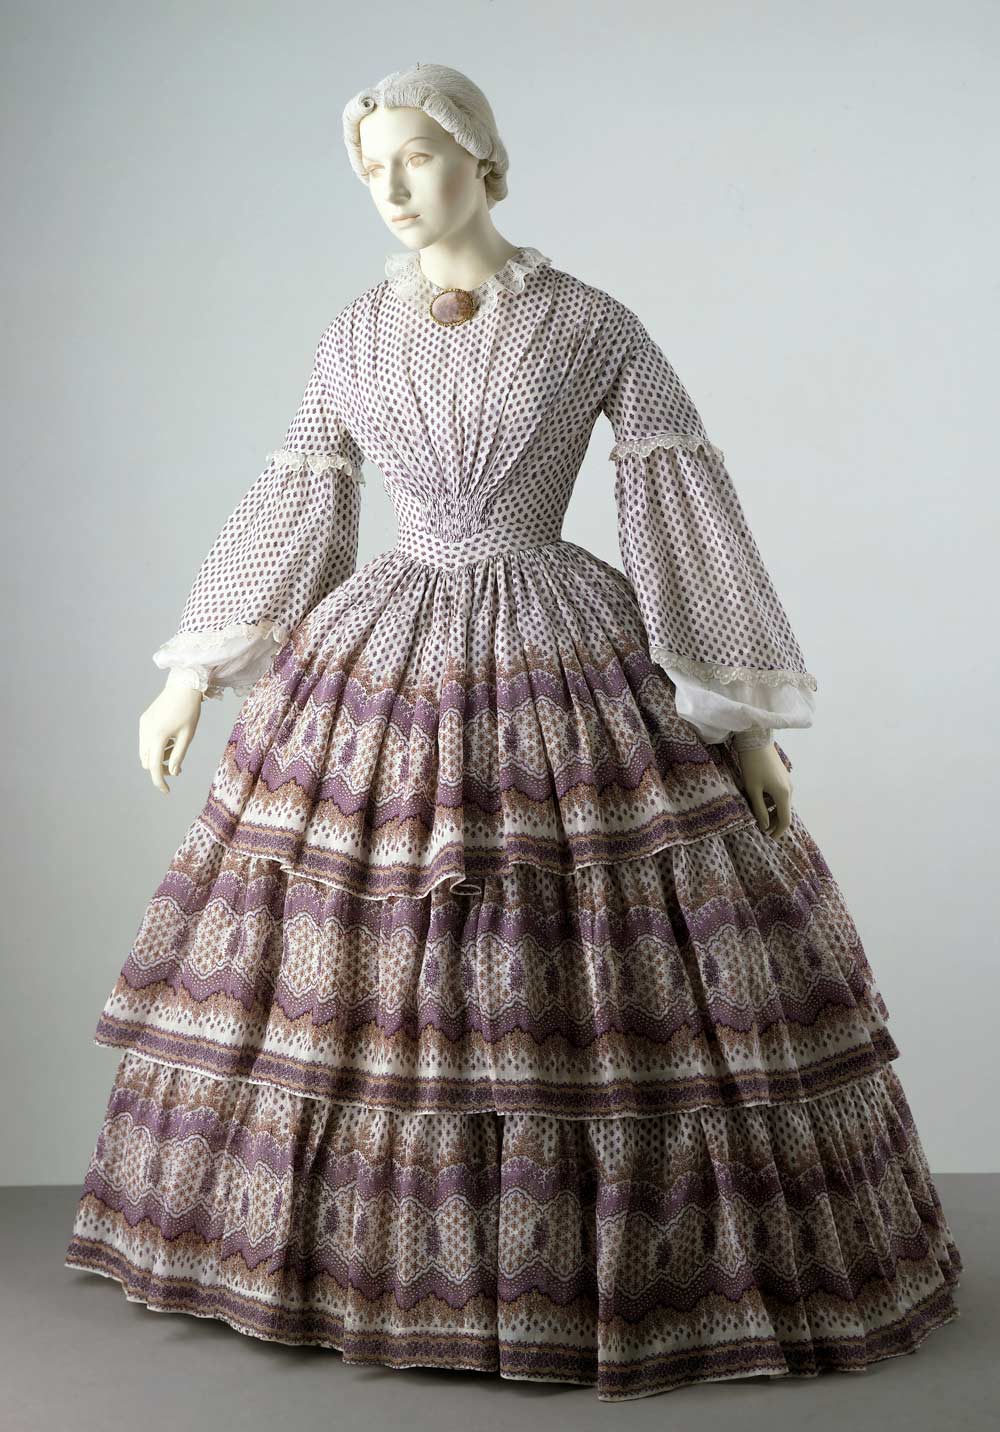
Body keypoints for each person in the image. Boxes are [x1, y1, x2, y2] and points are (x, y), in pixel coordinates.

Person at [65, 62, 962, 1403]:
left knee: (580, 952)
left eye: (417, 157)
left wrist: (740, 723)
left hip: (560, 640)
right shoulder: (354, 332)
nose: (391, 186)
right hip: (385, 657)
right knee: (371, 951)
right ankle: (367, 1267)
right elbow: (305, 498)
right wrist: (193, 673)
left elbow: (675, 505)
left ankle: (601, 1267)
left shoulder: (591, 323)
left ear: (483, 161)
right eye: (370, 166)